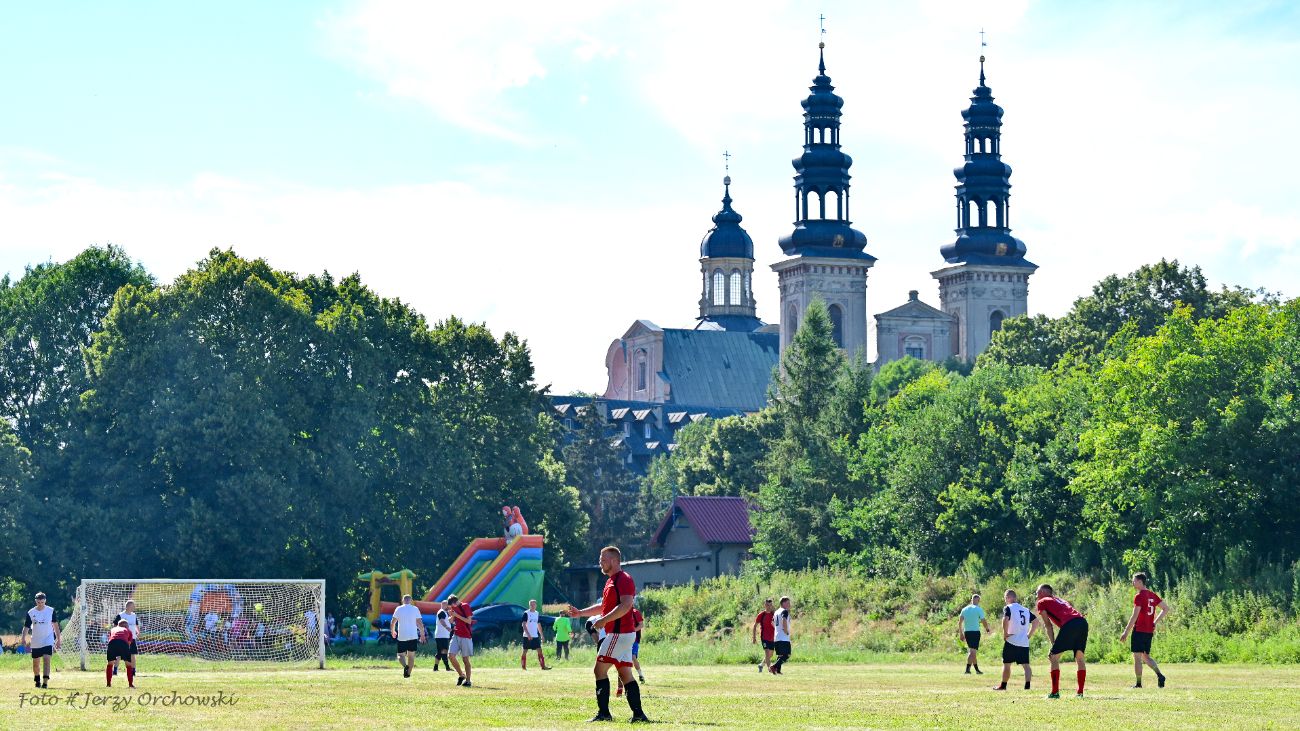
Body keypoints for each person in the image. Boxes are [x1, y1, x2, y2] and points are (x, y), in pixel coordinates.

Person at [566, 545, 650, 723]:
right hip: (623, 635)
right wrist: (580, 613)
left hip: (619, 634)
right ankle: (638, 715)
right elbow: (604, 608)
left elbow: (626, 605)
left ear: (614, 560)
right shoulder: (610, 581)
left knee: (599, 670)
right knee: (625, 673)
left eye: (603, 560)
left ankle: (604, 714)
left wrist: (604, 621)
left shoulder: (623, 579)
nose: (600, 563)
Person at [1035, 584, 1089, 699]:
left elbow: (1048, 625)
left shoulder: (1042, 601)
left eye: (1037, 592)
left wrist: (1053, 643)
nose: (1036, 595)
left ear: (1044, 591)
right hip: (1082, 622)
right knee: (1079, 658)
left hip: (1071, 624)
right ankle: (1080, 693)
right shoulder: (1059, 600)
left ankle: (1055, 693)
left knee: (1053, 657)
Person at [1120, 572, 1169, 688]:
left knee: (1137, 658)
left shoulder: (1139, 596)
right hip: (1148, 632)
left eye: (1134, 580)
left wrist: (1126, 632)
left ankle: (1138, 684)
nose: (1132, 582)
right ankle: (1160, 675)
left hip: (1139, 630)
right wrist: (1154, 622)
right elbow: (1166, 608)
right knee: (1145, 657)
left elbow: (1134, 616)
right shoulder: (1152, 595)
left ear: (1140, 582)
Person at [994, 589, 1038, 691]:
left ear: (1008, 598)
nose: (1005, 600)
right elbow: (1036, 622)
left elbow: (1005, 620)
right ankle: (1027, 687)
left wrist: (1005, 633)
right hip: (1024, 642)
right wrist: (1029, 635)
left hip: (1011, 640)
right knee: (1026, 665)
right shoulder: (1025, 610)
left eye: (1005, 598)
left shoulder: (1008, 608)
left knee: (1007, 664)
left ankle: (1003, 686)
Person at [23, 592, 61, 689]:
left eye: (42, 602)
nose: (40, 604)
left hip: (48, 639)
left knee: (47, 659)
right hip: (36, 640)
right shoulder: (31, 612)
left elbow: (55, 625)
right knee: (36, 663)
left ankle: (45, 682)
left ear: (45, 601)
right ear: (36, 601)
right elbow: (26, 626)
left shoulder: (51, 611)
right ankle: (37, 679)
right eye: (39, 602)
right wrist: (23, 637)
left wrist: (58, 639)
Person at [390, 594, 426, 678]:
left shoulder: (398, 609)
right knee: (411, 656)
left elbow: (393, 621)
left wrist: (392, 631)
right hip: (413, 635)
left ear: (403, 600)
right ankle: (408, 674)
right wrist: (422, 634)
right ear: (411, 600)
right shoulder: (415, 609)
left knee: (400, 655)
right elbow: (420, 623)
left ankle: (405, 666)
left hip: (402, 636)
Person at [958, 594, 993, 674]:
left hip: (967, 632)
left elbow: (960, 622)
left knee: (971, 651)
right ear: (978, 601)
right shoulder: (978, 609)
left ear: (971, 600)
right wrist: (987, 629)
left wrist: (961, 633)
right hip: (975, 632)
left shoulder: (964, 609)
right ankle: (976, 670)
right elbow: (983, 620)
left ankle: (968, 670)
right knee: (972, 652)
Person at [446, 594, 475, 687]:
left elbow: (469, 621)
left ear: (455, 602)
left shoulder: (465, 606)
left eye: (452, 605)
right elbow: (451, 621)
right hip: (456, 634)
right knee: (450, 656)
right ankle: (461, 675)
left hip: (466, 636)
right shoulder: (454, 608)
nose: (452, 607)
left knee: (465, 659)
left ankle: (468, 681)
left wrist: (456, 615)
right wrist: (451, 616)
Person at [111, 600, 141, 677]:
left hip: (132, 638)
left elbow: (136, 625)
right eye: (133, 606)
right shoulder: (121, 615)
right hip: (122, 638)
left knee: (132, 655)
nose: (134, 607)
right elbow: (114, 625)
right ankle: (115, 671)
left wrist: (138, 632)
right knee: (119, 655)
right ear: (128, 607)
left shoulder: (134, 615)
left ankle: (133, 671)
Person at [521, 599, 550, 670]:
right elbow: (524, 625)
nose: (532, 606)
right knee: (525, 651)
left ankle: (543, 666)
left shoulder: (537, 613)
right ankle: (523, 667)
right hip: (527, 636)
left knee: (539, 650)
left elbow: (538, 624)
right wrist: (528, 635)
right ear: (529, 605)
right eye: (531, 604)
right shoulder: (526, 613)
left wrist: (542, 635)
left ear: (536, 605)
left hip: (535, 636)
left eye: (534, 604)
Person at [106, 619, 136, 688]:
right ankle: (130, 684)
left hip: (112, 643)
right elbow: (128, 643)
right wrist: (124, 654)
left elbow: (110, 638)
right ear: (126, 626)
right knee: (128, 664)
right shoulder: (128, 631)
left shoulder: (113, 629)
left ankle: (108, 684)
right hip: (123, 643)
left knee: (110, 663)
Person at [752, 598, 776, 673]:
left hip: (772, 637)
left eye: (770, 605)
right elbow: (755, 626)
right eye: (767, 605)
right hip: (764, 637)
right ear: (765, 605)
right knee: (767, 653)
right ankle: (770, 668)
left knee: (770, 654)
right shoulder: (761, 615)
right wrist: (754, 637)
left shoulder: (774, 615)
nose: (769, 606)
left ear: (772, 605)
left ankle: (761, 665)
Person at [770, 596, 793, 675]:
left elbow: (772, 622)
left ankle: (777, 671)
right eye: (788, 603)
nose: (789, 605)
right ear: (783, 603)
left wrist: (778, 629)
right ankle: (774, 666)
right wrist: (785, 630)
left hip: (777, 637)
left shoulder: (776, 612)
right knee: (787, 655)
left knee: (780, 655)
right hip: (783, 637)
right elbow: (783, 620)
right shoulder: (785, 611)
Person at [433, 603, 453, 671]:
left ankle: (446, 667)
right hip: (441, 635)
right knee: (441, 651)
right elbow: (441, 620)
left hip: (444, 635)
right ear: (444, 605)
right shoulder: (441, 612)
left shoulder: (444, 612)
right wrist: (447, 627)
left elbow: (448, 621)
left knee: (444, 651)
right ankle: (436, 667)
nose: (448, 607)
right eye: (448, 605)